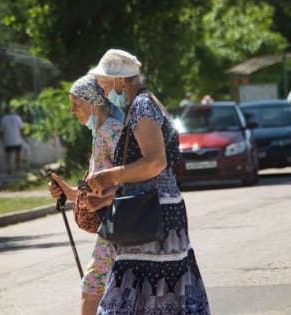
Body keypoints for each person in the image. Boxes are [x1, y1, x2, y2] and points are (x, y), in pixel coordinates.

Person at [87, 48, 211, 314]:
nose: (105, 89)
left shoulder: (142, 106)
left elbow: (155, 163)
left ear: (121, 81)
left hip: (154, 217)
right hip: (155, 211)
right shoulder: (147, 103)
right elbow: (149, 175)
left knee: (128, 295)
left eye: (107, 83)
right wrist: (110, 195)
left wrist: (110, 175)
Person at [48, 74, 124, 315]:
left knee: (92, 289)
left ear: (92, 102)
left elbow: (133, 178)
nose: (72, 111)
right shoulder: (100, 132)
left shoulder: (111, 131)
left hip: (121, 226)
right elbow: (98, 185)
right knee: (106, 290)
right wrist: (70, 193)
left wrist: (104, 199)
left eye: (76, 104)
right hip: (114, 226)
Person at [0, 106, 24, 175]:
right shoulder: (18, 117)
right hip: (17, 140)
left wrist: (2, 140)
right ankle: (17, 169)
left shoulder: (3, 119)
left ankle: (8, 168)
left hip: (8, 140)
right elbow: (22, 128)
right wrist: (23, 137)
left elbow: (1, 131)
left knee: (8, 156)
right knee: (17, 156)